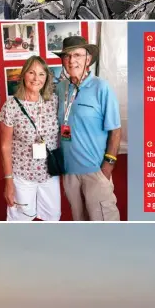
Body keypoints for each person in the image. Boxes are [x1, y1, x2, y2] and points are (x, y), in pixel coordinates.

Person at [54, 37, 121, 222]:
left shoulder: (102, 87)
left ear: (88, 59)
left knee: (103, 221)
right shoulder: (61, 88)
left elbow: (115, 130)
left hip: (95, 170)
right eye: (67, 56)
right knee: (79, 220)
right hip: (69, 172)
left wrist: (108, 166)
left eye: (77, 55)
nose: (71, 60)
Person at [0, 56, 61, 222]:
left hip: (50, 174)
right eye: (32, 73)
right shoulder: (11, 105)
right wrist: (8, 182)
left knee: (52, 217)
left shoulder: (53, 101)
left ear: (47, 77)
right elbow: (5, 147)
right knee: (21, 219)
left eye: (41, 74)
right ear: (24, 74)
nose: (36, 78)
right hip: (23, 175)